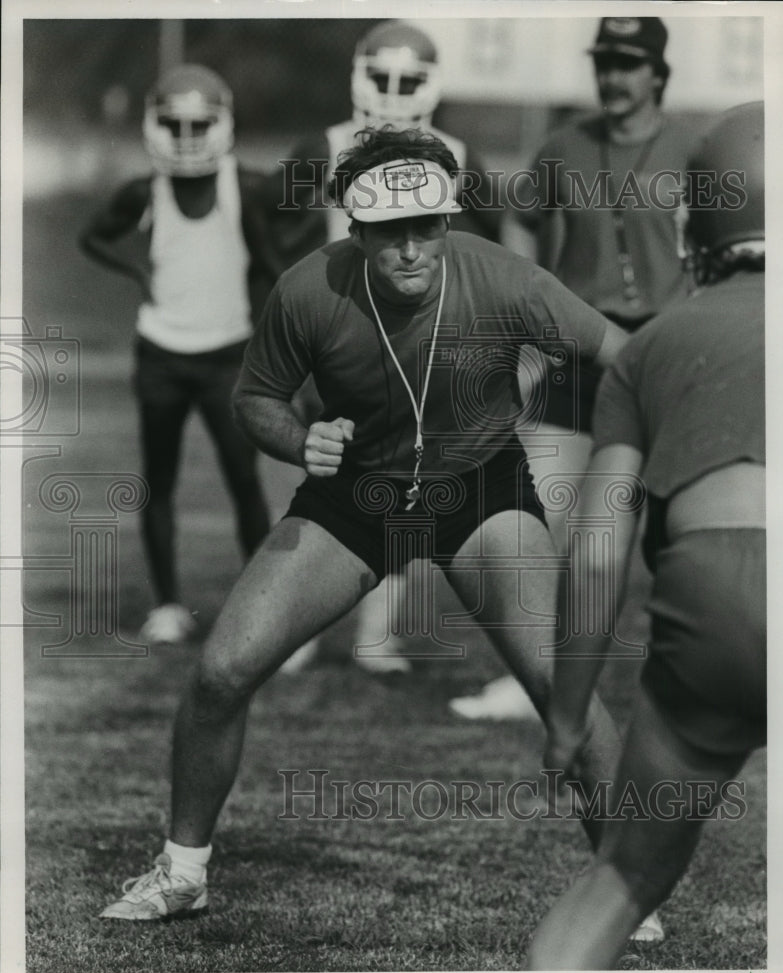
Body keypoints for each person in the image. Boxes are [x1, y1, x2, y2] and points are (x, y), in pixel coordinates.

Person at [99, 125, 637, 922]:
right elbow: (255, 399)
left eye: (428, 227)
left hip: (477, 492)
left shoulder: (508, 280)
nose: (412, 249)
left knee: (564, 686)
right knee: (221, 671)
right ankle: (183, 873)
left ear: (448, 221)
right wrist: (298, 437)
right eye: (391, 233)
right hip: (356, 498)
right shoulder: (308, 289)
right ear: (357, 230)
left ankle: (628, 888)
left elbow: (627, 358)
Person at [527, 101, 765, 970]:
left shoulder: (649, 347)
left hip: (713, 601)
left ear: (696, 222)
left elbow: (594, 551)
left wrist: (563, 719)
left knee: (622, 876)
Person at [451, 17, 691, 749]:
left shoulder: (694, 152)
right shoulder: (562, 148)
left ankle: (687, 684)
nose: (611, 77)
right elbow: (519, 222)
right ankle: (538, 677)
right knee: (542, 519)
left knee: (672, 534)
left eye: (626, 63)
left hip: (663, 353)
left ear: (657, 71)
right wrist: (534, 298)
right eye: (603, 62)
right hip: (575, 357)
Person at [270, 20, 504, 676]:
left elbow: (488, 256)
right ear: (357, 76)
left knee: (405, 493)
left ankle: (377, 634)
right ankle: (294, 629)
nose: (394, 93)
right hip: (332, 345)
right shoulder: (323, 148)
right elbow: (274, 235)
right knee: (307, 487)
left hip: (419, 351)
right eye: (382, 78)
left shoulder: (458, 154)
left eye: (408, 80)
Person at [80, 64, 278, 643]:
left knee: (244, 478)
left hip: (227, 356)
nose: (188, 136)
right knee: (159, 478)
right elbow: (91, 236)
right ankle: (167, 606)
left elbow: (271, 265)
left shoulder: (244, 186)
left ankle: (262, 608)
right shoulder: (145, 191)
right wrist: (136, 271)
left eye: (200, 124)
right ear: (155, 125)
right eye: (176, 124)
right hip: (162, 354)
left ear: (221, 124)